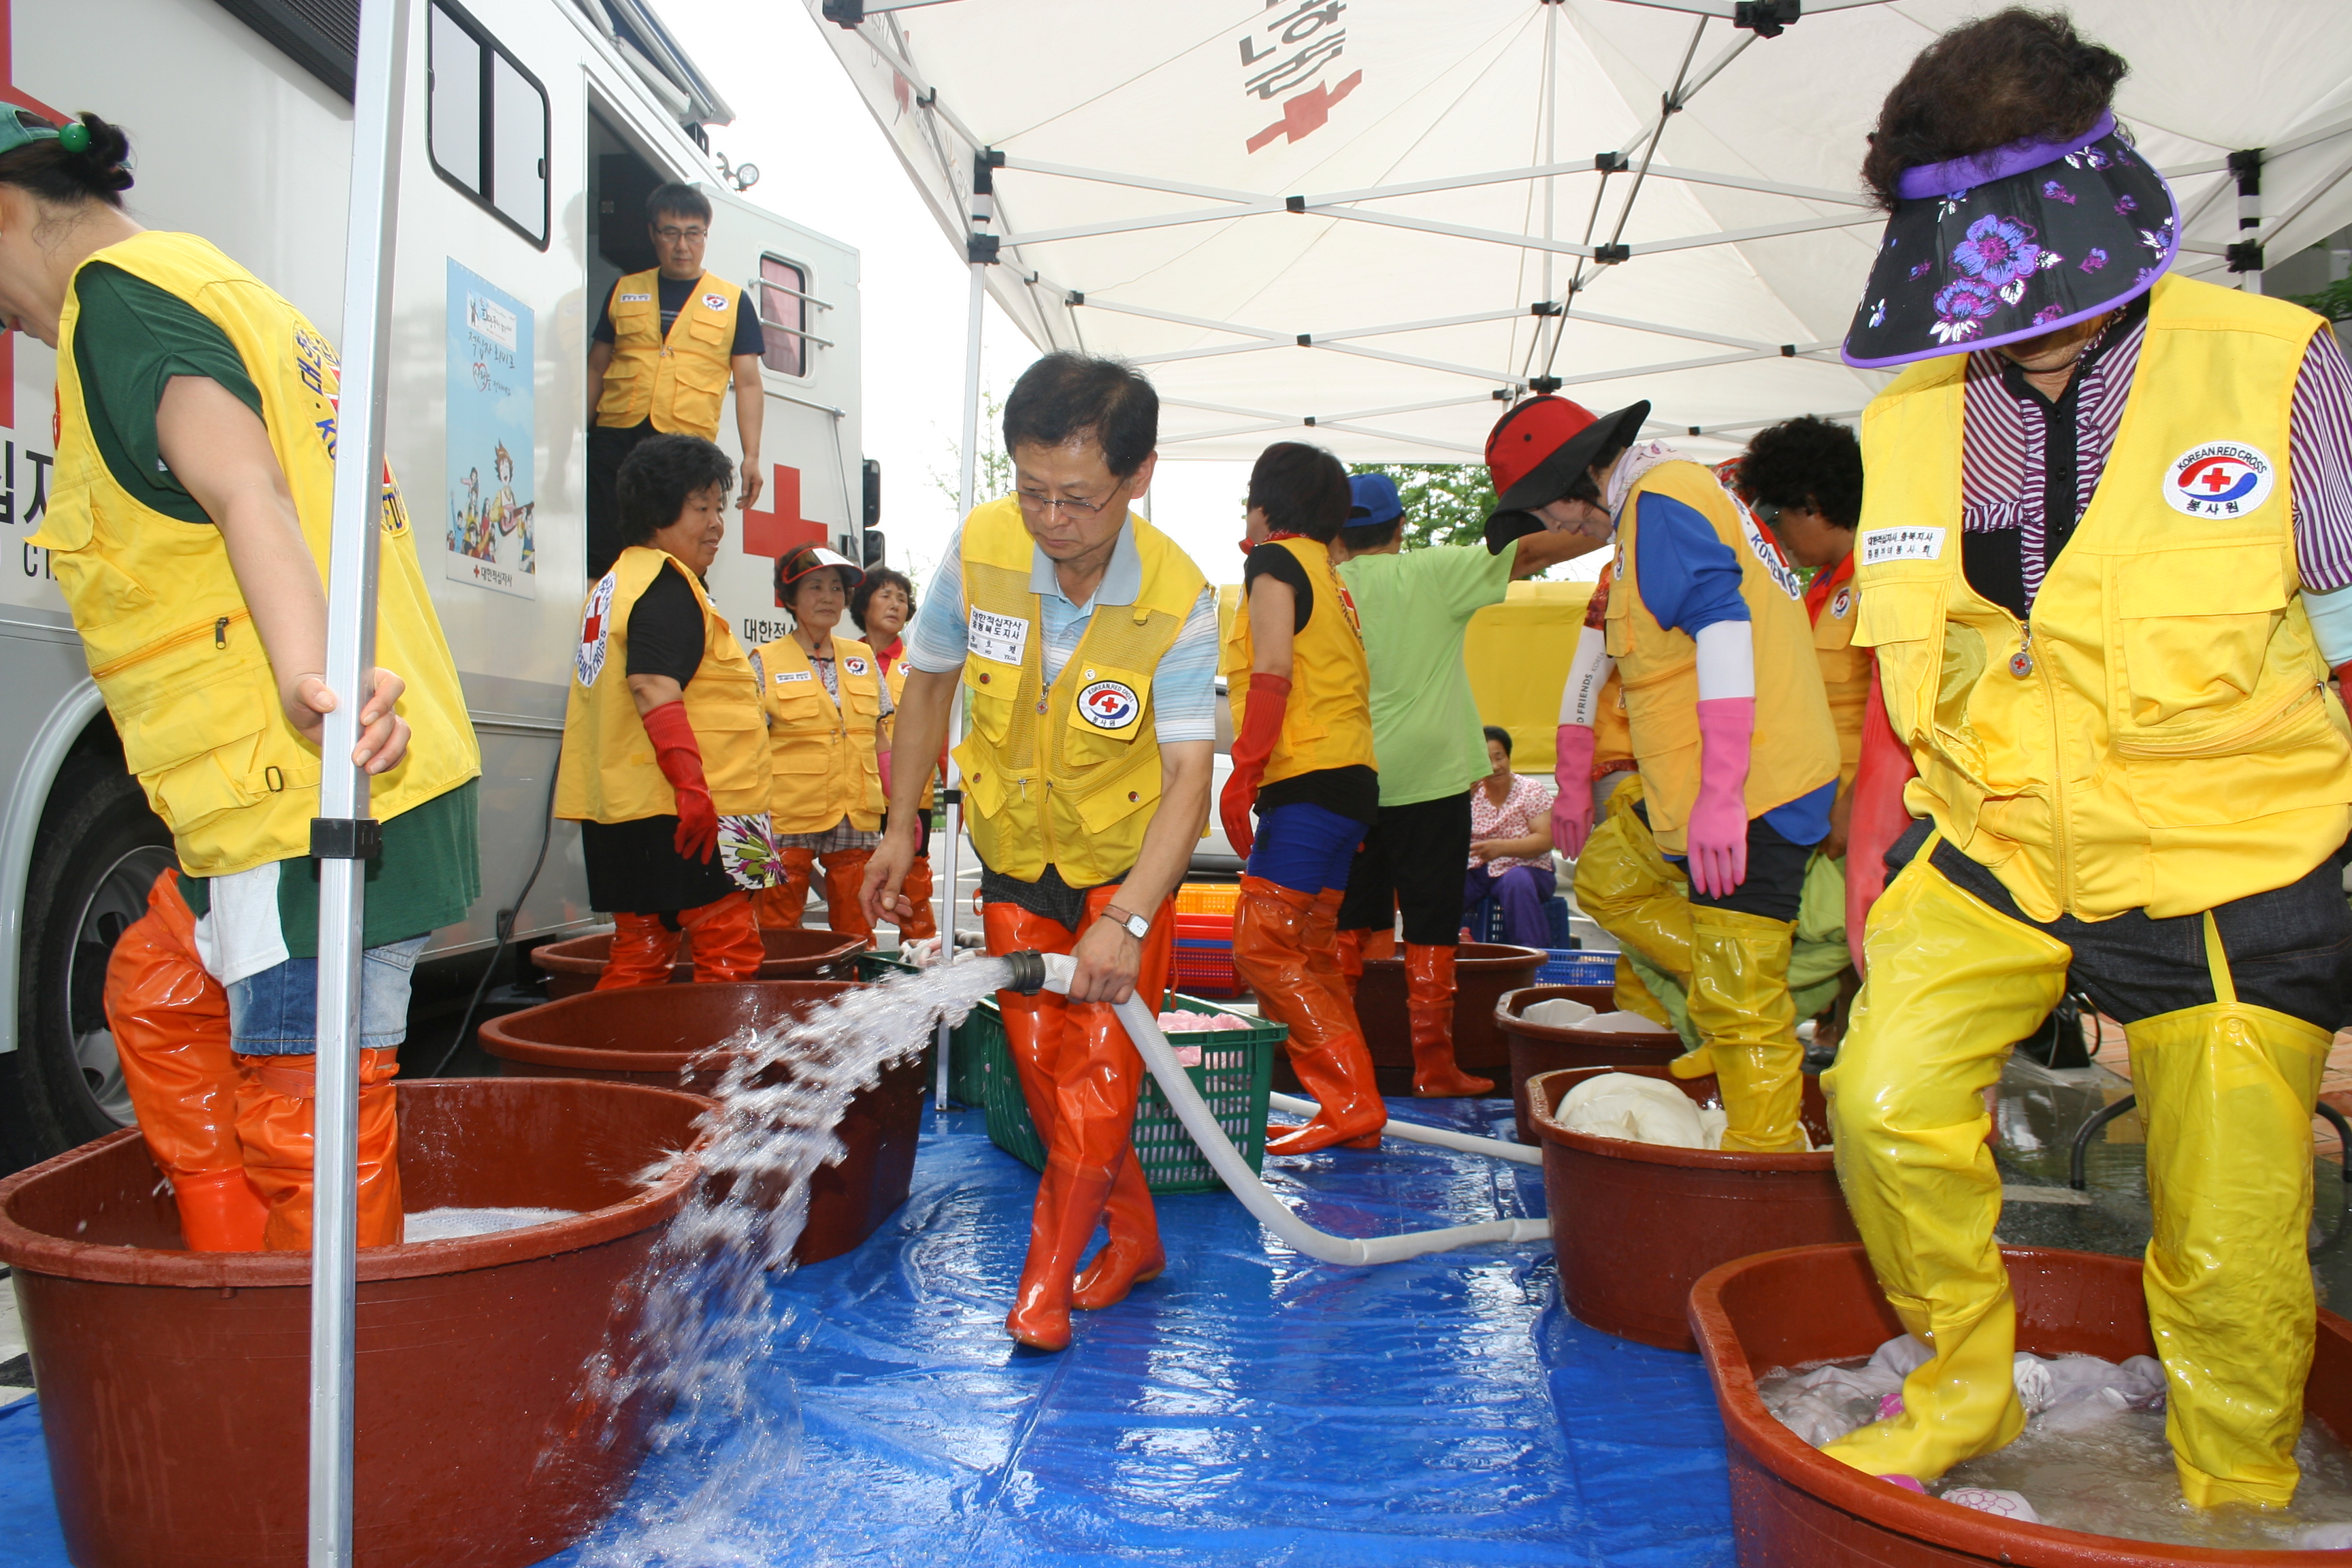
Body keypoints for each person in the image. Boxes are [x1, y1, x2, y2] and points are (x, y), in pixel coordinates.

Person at [1821, 10, 2352, 1509]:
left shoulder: (2286, 369)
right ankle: (1962, 1383)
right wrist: (1875, 865)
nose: (2023, 318)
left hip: (2230, 863)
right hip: (1991, 842)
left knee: (2234, 1225)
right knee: (1880, 1100)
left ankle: (2237, 1489)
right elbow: (1901, 659)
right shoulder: (1914, 417)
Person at [7, 110, 481, 1250]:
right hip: (309, 778)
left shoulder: (116, 302)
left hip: (303, 781)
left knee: (307, 1113)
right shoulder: (225, 289)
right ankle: (237, 1278)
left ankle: (325, 1384)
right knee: (160, 987)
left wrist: (314, 684)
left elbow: (247, 493)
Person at [862, 353, 1215, 1354]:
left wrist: (1125, 918)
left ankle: (1041, 1290)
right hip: (1015, 862)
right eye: (1032, 493)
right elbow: (927, 682)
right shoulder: (979, 549)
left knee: (1102, 1082)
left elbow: (1191, 779)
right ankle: (1135, 1239)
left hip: (1119, 872)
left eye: (1080, 499)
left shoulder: (1179, 599)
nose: (1053, 520)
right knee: (1049, 1080)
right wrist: (902, 826)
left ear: (1139, 477)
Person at [1522, 393, 1840, 1154]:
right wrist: (1572, 782)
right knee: (1614, 879)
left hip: (1756, 788)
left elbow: (1724, 628)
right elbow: (1593, 669)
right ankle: (1723, 1009)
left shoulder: (1664, 504)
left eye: (1554, 521)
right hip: (1701, 789)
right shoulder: (1651, 516)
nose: (1561, 538)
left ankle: (1760, 1165)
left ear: (1574, 490)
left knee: (1745, 993)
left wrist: (1726, 791)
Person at [1329, 471, 1598, 1096]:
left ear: (1338, 534)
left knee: (1349, 925)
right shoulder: (1432, 572)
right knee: (1432, 922)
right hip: (1429, 779)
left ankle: (1350, 1067)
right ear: (1401, 529)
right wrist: (1599, 527)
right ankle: (1432, 1065)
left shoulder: (1321, 583)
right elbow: (1528, 552)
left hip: (1349, 775)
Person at [557, 435, 778, 988]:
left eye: (719, 508)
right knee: (731, 945)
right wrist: (691, 789)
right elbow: (653, 687)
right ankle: (726, 1070)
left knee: (641, 948)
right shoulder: (665, 583)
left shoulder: (614, 584)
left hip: (626, 809)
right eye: (700, 507)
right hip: (703, 808)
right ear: (658, 509)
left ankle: (621, 1065)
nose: (716, 524)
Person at [1219, 442, 1387, 1156]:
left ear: (1266, 503)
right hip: (1349, 778)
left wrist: (1246, 767)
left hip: (1309, 777)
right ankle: (1353, 1105)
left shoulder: (1276, 561)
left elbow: (1275, 670)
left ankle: (1350, 1100)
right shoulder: (1327, 568)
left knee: (1261, 948)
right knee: (1310, 949)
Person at [585, 182, 766, 578]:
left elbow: (749, 383)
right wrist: (576, 434)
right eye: (670, 233)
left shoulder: (733, 301)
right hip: (616, 436)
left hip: (685, 447)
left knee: (680, 556)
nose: (682, 245)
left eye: (693, 234)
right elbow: (596, 366)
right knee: (602, 551)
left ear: (705, 236)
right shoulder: (624, 289)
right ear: (653, 233)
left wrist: (751, 456)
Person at [1737, 416, 1866, 860]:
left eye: (1773, 516)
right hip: (1820, 815)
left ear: (1810, 505)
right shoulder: (1818, 590)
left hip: (1867, 818)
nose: (1774, 536)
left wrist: (1854, 806)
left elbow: (1899, 713)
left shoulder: (1882, 581)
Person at [751, 544, 888, 941]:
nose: (828, 597)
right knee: (776, 924)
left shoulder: (861, 657)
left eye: (836, 588)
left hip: (856, 809)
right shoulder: (765, 660)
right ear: (789, 598)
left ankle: (856, 994)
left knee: (858, 920)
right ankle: (783, 995)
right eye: (814, 587)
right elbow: (750, 742)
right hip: (787, 812)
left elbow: (879, 737)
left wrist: (902, 809)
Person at [851, 567, 938, 944]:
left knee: (914, 883)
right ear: (863, 603)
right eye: (885, 595)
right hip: (856, 794)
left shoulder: (922, 661)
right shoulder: (843, 660)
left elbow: (940, 730)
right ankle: (857, 972)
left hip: (911, 793)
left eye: (902, 598)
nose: (896, 604)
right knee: (852, 884)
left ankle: (921, 967)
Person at [1464, 728, 1557, 948]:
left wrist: (1502, 848)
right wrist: (1460, 803)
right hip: (1477, 872)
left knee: (1517, 882)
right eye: (1487, 761)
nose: (1496, 767)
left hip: (1527, 869)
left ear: (1508, 757)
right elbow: (1444, 838)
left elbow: (1546, 840)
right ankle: (1445, 949)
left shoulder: (1530, 791)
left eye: (1500, 757)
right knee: (1442, 883)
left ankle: (1534, 958)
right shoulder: (1468, 793)